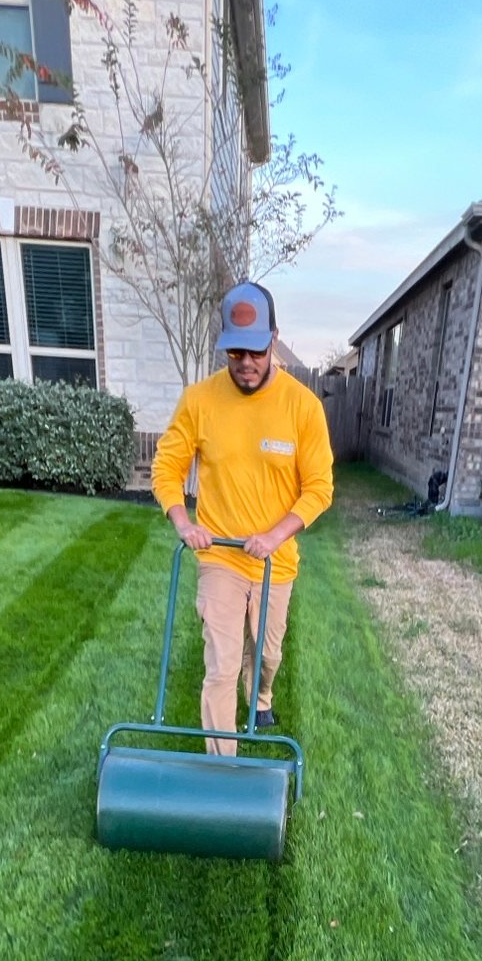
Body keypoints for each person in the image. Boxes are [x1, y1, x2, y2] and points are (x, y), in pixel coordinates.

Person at [150, 282, 334, 754]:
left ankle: (263, 694)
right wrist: (183, 522)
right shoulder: (199, 400)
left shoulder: (303, 407)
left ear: (274, 339)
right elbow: (166, 468)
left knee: (266, 654)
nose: (245, 363)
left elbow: (319, 488)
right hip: (221, 556)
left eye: (254, 352)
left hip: (276, 559)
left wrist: (275, 535)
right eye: (235, 353)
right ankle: (221, 768)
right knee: (223, 662)